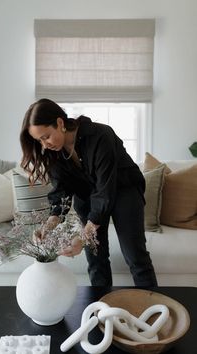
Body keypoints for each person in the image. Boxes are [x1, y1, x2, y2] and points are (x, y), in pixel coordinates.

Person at [20, 98, 158, 287]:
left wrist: (83, 237)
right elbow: (61, 192)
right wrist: (48, 227)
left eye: (46, 136)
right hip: (89, 198)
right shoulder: (54, 152)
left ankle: (155, 312)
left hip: (123, 191)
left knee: (135, 256)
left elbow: (105, 190)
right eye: (39, 140)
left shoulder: (101, 135)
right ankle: (100, 311)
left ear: (60, 123)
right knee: (96, 260)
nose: (44, 145)